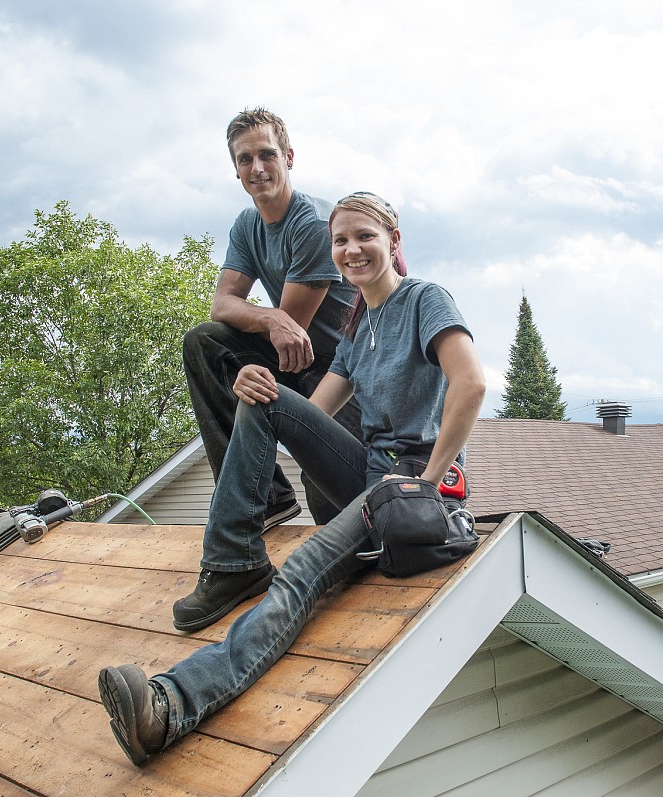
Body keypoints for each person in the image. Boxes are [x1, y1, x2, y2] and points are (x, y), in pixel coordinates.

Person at [97, 192, 486, 765]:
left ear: (394, 243)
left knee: (302, 572)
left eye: (365, 237)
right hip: (367, 473)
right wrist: (257, 383)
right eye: (341, 241)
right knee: (262, 394)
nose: (351, 249)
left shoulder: (424, 299)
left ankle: (170, 705)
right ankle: (232, 562)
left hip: (408, 481)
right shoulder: (360, 323)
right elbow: (316, 411)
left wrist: (428, 480)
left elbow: (471, 384)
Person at [185, 107, 361, 529]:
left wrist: (274, 323)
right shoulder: (247, 225)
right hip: (290, 356)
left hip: (339, 370)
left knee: (330, 505)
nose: (257, 168)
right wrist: (268, 319)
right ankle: (264, 499)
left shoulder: (315, 223)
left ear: (289, 157)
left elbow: (294, 330)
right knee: (205, 342)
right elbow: (222, 305)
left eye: (267, 155)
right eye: (245, 159)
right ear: (236, 169)